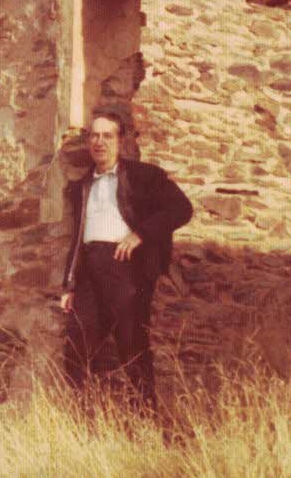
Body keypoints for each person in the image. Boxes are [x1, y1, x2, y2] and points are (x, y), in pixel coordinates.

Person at [61, 111, 192, 410]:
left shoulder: (144, 176)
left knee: (132, 345)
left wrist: (140, 234)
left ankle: (144, 419)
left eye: (107, 136)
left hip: (127, 270)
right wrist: (69, 284)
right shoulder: (82, 186)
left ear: (120, 141)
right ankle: (79, 419)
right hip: (90, 272)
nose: (99, 142)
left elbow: (182, 209)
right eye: (94, 136)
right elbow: (77, 238)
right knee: (77, 347)